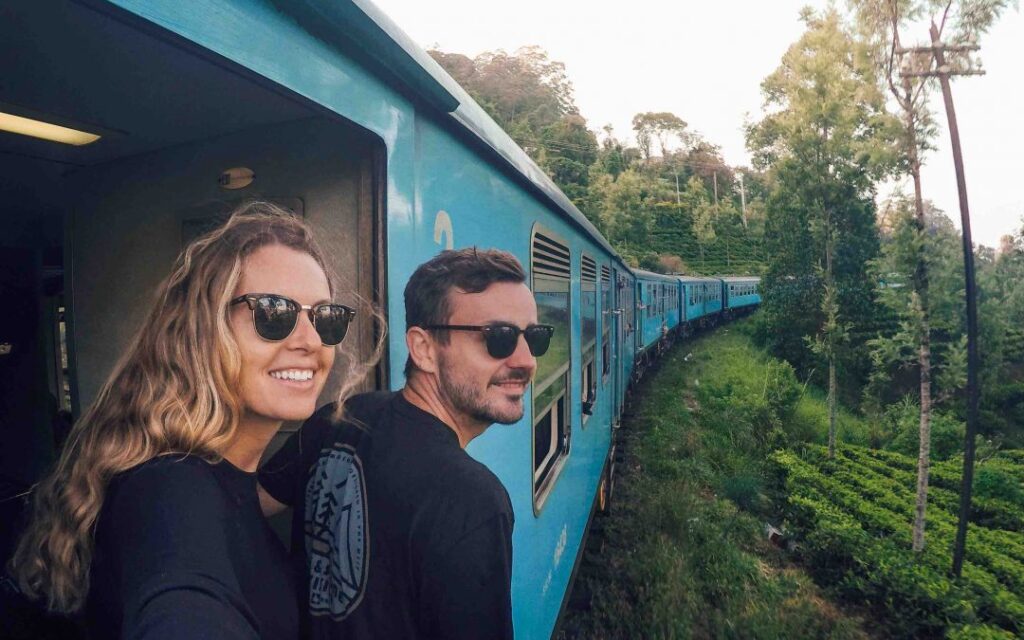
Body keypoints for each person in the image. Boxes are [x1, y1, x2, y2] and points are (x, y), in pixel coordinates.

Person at [8, 202, 363, 639]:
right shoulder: (173, 490)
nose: (310, 341)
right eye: (274, 312)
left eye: (326, 317)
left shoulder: (216, 477)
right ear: (202, 330)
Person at [259, 248, 553, 639]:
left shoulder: (342, 415)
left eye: (534, 337)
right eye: (499, 338)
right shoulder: (473, 501)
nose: (527, 360)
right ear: (424, 349)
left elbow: (251, 504)